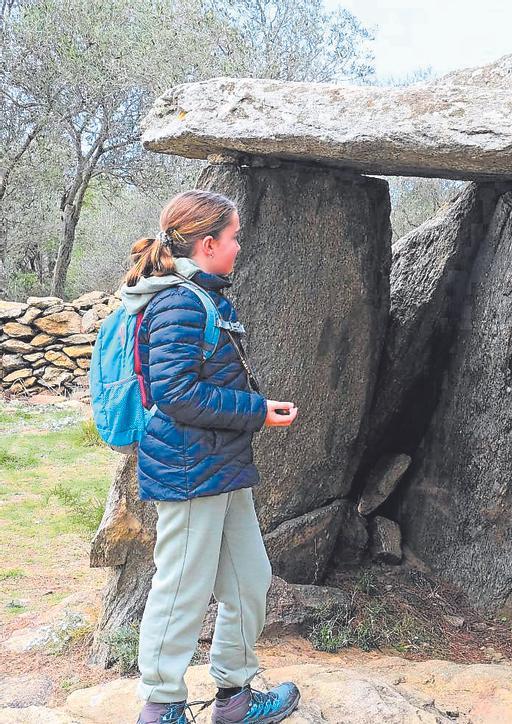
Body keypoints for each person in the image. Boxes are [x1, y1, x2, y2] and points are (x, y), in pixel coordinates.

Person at [121, 190, 301, 724]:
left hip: (220, 465)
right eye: (234, 237)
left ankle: (235, 696)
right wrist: (256, 410)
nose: (239, 246)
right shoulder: (178, 301)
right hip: (188, 469)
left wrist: (252, 411)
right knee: (181, 588)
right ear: (207, 243)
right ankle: (162, 706)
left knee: (249, 577)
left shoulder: (202, 296)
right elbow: (175, 394)